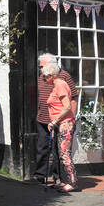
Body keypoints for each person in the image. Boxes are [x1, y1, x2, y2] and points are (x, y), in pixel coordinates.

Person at [35, 53, 74, 180]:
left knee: (58, 151)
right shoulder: (42, 77)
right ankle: (40, 175)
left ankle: (58, 177)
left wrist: (70, 119)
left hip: (60, 120)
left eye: (42, 66)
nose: (40, 69)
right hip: (43, 118)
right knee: (42, 147)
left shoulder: (64, 77)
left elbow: (72, 99)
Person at [43, 56, 78, 192]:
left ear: (51, 76)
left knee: (64, 153)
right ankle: (64, 181)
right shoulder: (56, 85)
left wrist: (54, 121)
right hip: (60, 124)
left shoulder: (60, 85)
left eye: (45, 77)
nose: (44, 80)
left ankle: (72, 182)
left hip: (65, 124)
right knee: (59, 153)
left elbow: (67, 106)